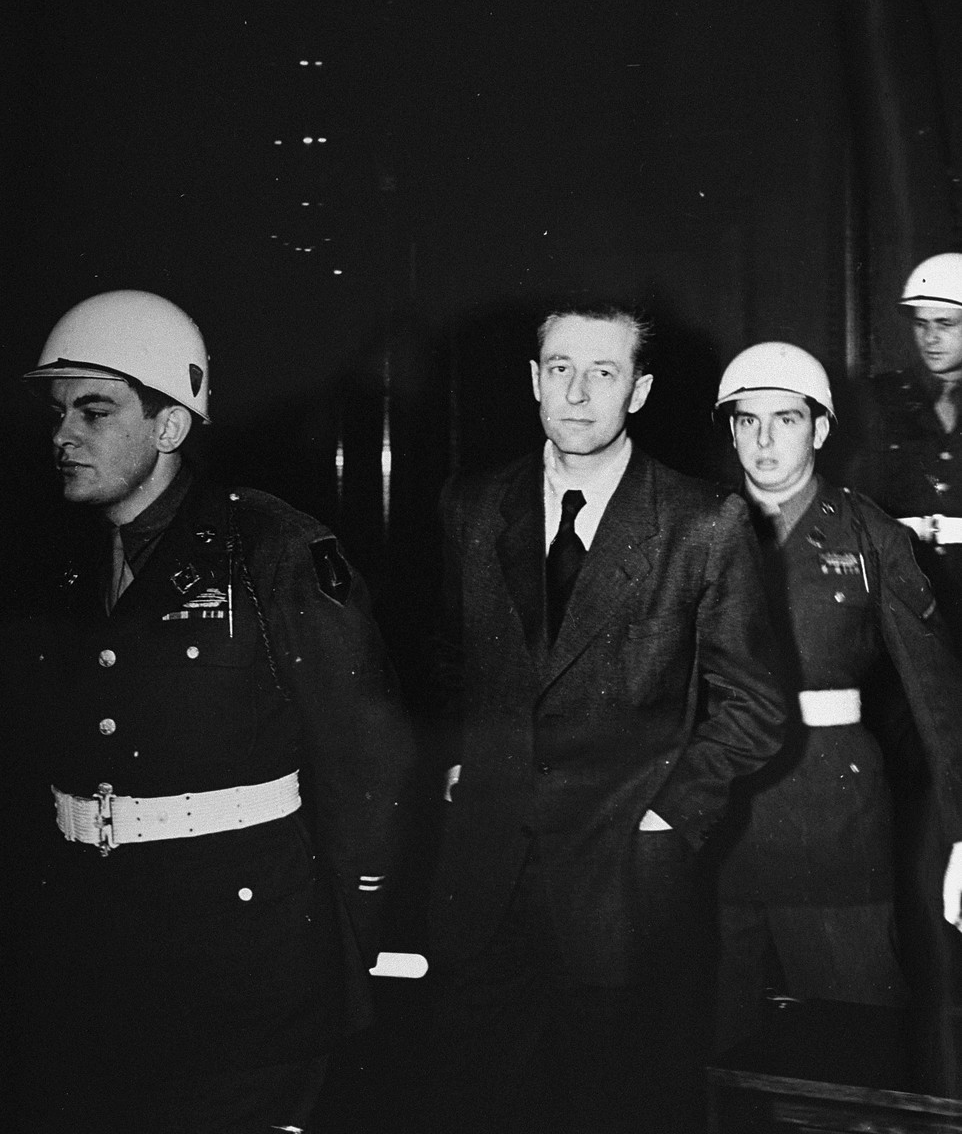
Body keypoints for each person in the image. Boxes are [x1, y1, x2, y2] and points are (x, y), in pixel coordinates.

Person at [14, 290, 413, 1133]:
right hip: (90, 963)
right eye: (59, 413)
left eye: (94, 410)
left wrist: (345, 947)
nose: (63, 436)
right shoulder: (52, 557)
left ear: (169, 427)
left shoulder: (271, 549)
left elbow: (365, 766)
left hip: (246, 973)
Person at [426, 304, 789, 1134]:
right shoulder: (473, 505)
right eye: (560, 369)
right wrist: (460, 762)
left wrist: (670, 814)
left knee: (618, 1109)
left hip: (626, 887)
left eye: (604, 373)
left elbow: (757, 705)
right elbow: (450, 657)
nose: (579, 394)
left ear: (640, 389)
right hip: (486, 885)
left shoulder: (704, 520)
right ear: (533, 380)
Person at [713, 342, 962, 1090]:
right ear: (729, 432)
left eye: (784, 419)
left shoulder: (870, 536)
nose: (764, 440)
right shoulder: (691, 531)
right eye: (747, 421)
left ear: (820, 429)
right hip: (713, 824)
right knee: (714, 1059)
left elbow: (939, 704)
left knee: (853, 1049)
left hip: (834, 829)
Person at [855, 252, 962, 655]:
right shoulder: (879, 398)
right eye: (921, 325)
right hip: (901, 586)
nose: (930, 338)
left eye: (945, 325)